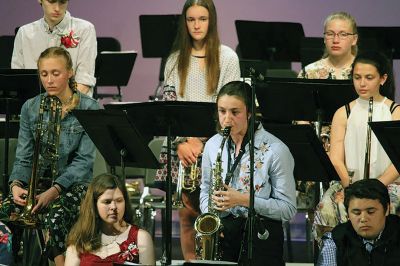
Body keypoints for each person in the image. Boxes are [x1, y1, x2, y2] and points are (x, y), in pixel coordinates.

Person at [154, 0, 240, 260]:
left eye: (202, 19)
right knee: (187, 213)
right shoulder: (173, 60)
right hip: (183, 147)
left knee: (219, 212)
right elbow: (168, 107)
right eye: (191, 19)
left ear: (211, 21)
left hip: (218, 143)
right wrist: (182, 142)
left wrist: (205, 142)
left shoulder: (227, 57)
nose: (196, 25)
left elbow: (232, 105)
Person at [0, 46, 99, 265]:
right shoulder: (30, 107)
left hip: (74, 186)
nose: (49, 80)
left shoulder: (90, 108)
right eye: (44, 74)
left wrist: (55, 190)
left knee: (55, 217)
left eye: (56, 73)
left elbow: (84, 162)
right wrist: (16, 185)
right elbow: (24, 157)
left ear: (70, 72)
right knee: (4, 211)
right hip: (39, 186)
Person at [199, 81, 297, 265]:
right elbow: (205, 189)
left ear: (250, 113)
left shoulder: (276, 150)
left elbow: (288, 209)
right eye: (222, 111)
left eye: (235, 112)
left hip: (261, 236)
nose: (227, 119)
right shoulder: (212, 145)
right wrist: (211, 218)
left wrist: (244, 200)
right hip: (224, 233)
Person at [315, 51, 400, 242]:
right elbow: (336, 158)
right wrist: (351, 187)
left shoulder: (396, 112)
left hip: (388, 184)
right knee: (327, 208)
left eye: (369, 78)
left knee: (391, 206)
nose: (362, 83)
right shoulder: (343, 113)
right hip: (350, 183)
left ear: (383, 79)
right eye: (357, 77)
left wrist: (378, 185)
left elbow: (398, 160)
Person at [65, 174, 155, 265]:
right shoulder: (80, 239)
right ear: (94, 205)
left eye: (119, 200)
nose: (114, 207)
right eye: (107, 202)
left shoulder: (141, 238)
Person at [12, 0, 97, 96]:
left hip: (74, 107)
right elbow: (18, 81)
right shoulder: (24, 33)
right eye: (51, 1)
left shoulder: (85, 29)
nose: (57, 8)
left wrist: (64, 107)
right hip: (33, 107)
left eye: (62, 2)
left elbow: (84, 81)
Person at [317, 179, 400, 266]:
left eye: (371, 212)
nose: (363, 219)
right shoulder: (335, 240)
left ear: (387, 209)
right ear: (348, 214)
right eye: (356, 213)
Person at [298, 11, 358, 79]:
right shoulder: (309, 72)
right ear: (324, 38)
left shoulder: (366, 71)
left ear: (354, 39)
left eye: (343, 35)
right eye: (330, 34)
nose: (335, 40)